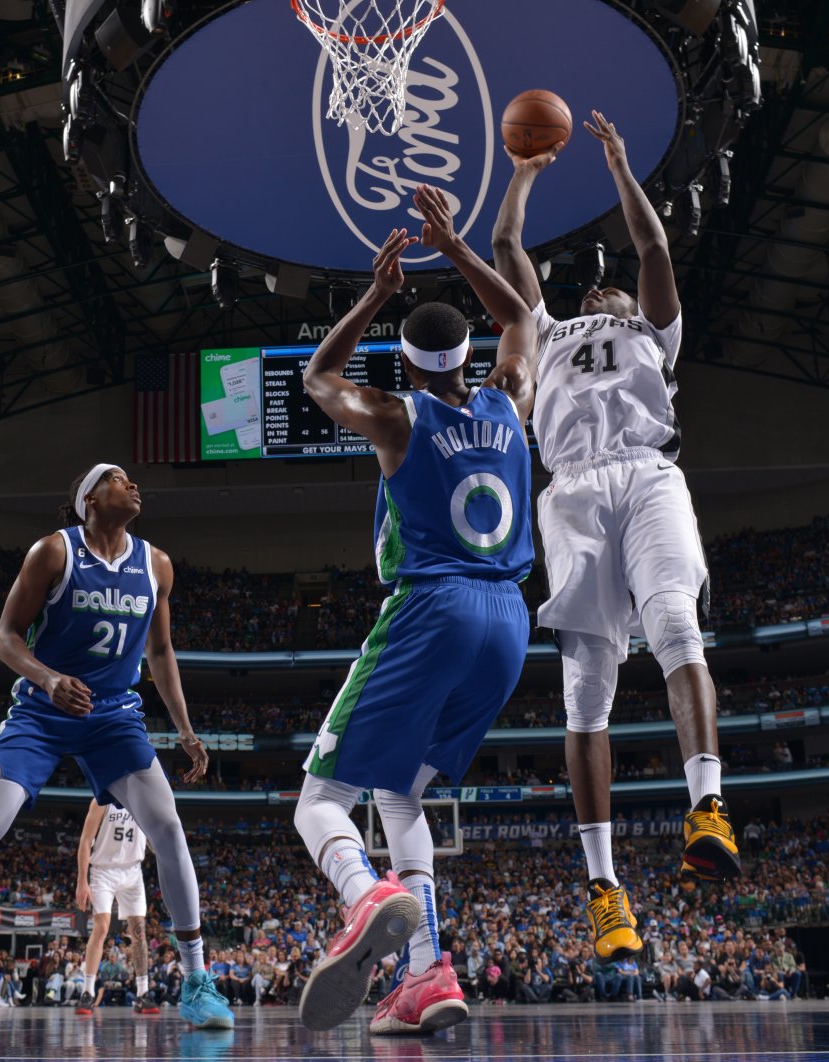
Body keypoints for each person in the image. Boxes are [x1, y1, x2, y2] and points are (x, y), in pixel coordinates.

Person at [490, 108, 737, 963]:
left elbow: (655, 251)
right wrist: (527, 167)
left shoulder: (650, 330)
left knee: (675, 623)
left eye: (613, 288)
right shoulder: (549, 332)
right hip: (570, 492)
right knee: (585, 690)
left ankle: (707, 801)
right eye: (592, 287)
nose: (601, 288)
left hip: (646, 471)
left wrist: (620, 166)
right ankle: (604, 887)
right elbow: (507, 246)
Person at [293, 185, 537, 1036]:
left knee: (319, 803)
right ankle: (427, 977)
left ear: (406, 365)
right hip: (510, 622)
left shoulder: (398, 417)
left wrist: (374, 293)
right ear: (471, 357)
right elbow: (526, 321)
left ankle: (365, 900)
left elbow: (319, 377)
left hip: (434, 607)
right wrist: (461, 247)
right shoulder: (511, 400)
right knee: (400, 800)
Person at [0, 466, 233, 1031]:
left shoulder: (157, 564)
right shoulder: (53, 552)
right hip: (43, 713)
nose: (133, 484)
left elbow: (161, 653)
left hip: (113, 716)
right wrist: (46, 679)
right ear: (89, 498)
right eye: (118, 478)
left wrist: (185, 729)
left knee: (168, 827)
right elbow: (4, 638)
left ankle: (196, 978)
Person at [74, 801, 158, 1016]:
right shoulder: (102, 799)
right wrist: (82, 881)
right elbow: (85, 841)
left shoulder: (142, 800)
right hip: (103, 870)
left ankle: (142, 993)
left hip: (132, 871)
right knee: (101, 928)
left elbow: (152, 838)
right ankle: (88, 992)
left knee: (139, 931)